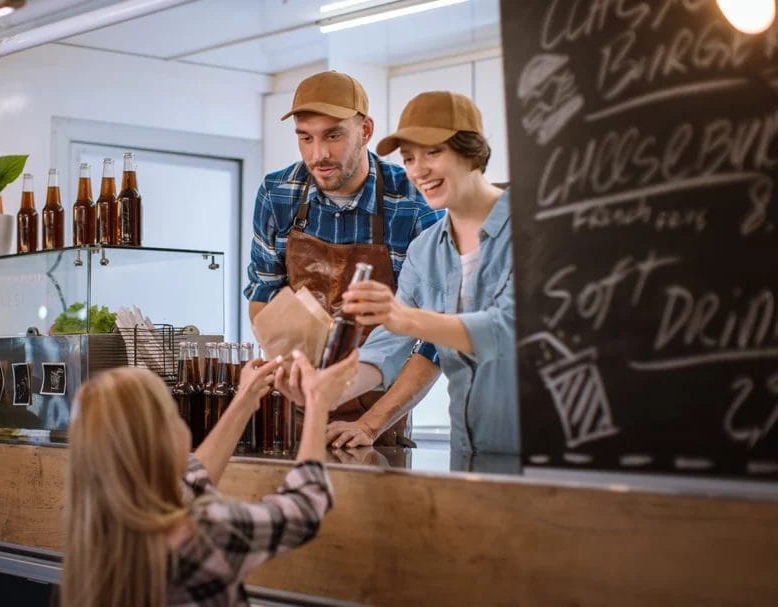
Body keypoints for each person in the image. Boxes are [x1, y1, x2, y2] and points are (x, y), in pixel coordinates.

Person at [60, 350, 359, 607]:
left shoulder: (101, 530)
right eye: (174, 415)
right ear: (159, 442)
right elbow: (304, 508)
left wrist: (245, 400)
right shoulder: (203, 531)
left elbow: (191, 478)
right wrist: (317, 403)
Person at [244, 69, 440, 445]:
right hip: (294, 409)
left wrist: (369, 426)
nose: (318, 155)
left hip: (379, 417)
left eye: (333, 135)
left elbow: (433, 339)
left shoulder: (416, 204)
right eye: (305, 138)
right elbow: (263, 296)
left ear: (365, 131)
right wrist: (295, 376)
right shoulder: (278, 193)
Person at [322, 91, 518, 454]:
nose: (418, 170)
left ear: (471, 150)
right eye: (409, 158)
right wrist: (326, 387)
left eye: (433, 152)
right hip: (468, 452)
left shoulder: (532, 232)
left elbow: (507, 334)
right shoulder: (425, 250)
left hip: (540, 459)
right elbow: (386, 348)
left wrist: (404, 318)